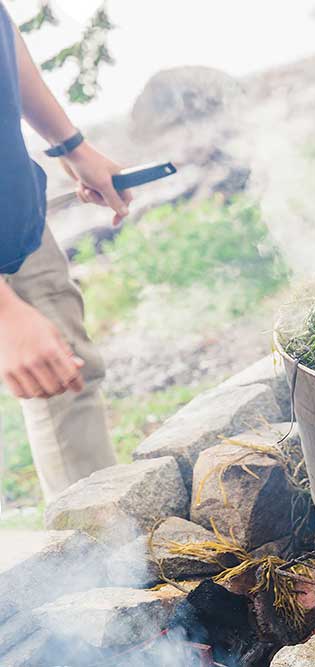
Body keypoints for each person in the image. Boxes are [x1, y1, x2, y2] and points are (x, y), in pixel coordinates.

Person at [1, 2, 133, 499]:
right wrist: (5, 312)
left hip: (15, 219)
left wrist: (71, 146)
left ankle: (103, 564)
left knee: (64, 376)